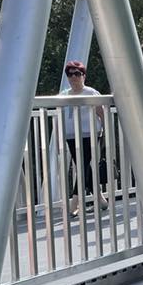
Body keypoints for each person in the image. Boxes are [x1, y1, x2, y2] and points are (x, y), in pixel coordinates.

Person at [59, 60, 107, 211]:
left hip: (89, 134)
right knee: (83, 167)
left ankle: (75, 202)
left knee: (81, 165)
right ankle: (100, 199)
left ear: (83, 76)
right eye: (70, 74)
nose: (73, 77)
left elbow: (101, 113)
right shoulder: (64, 95)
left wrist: (106, 133)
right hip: (71, 135)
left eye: (77, 74)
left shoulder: (91, 92)